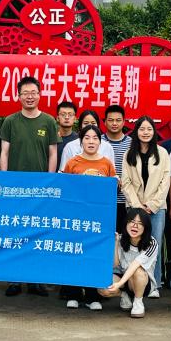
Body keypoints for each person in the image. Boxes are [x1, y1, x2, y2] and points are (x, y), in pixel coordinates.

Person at [0, 75, 58, 297]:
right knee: (14, 232)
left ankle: (35, 280)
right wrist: (5, 181)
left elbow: (53, 153)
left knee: (38, 232)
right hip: (15, 188)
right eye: (25, 93)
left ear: (40, 95)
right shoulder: (10, 121)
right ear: (19, 96)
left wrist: (50, 182)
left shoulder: (49, 121)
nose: (30, 97)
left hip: (40, 187)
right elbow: (4, 152)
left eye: (33, 93)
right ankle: (14, 279)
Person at [61, 125, 117, 309]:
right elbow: (65, 189)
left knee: (95, 255)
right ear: (81, 141)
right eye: (87, 138)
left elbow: (113, 190)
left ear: (100, 142)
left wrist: (116, 183)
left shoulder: (106, 163)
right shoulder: (73, 162)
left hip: (99, 219)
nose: (91, 141)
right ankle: (73, 294)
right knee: (74, 253)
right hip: (76, 218)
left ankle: (93, 296)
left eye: (95, 138)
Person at [120, 116, 170, 294]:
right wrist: (138, 206)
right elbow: (125, 182)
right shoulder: (129, 153)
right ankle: (132, 284)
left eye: (149, 129)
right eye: (142, 129)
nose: (145, 132)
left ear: (154, 132)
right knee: (133, 244)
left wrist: (152, 204)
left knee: (154, 244)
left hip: (156, 208)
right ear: (136, 132)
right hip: (134, 207)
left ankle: (154, 284)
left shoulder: (162, 153)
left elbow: (165, 181)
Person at [99, 208, 159, 318]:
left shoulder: (152, 243)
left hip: (142, 282)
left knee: (137, 270)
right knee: (103, 286)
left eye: (140, 223)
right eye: (132, 221)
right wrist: (116, 243)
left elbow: (135, 265)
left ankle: (138, 301)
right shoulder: (121, 239)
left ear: (146, 227)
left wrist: (119, 284)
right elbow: (115, 264)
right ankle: (124, 295)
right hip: (124, 280)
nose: (135, 226)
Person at [102, 105, 131, 230]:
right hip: (103, 200)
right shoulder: (98, 142)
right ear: (105, 122)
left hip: (125, 200)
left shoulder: (131, 143)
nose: (114, 123)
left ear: (124, 122)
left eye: (118, 120)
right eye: (110, 120)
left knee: (123, 235)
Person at [55, 100, 78, 168]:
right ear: (57, 118)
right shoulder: (51, 137)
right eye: (63, 114)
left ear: (75, 119)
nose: (67, 117)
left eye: (70, 115)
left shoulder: (78, 139)